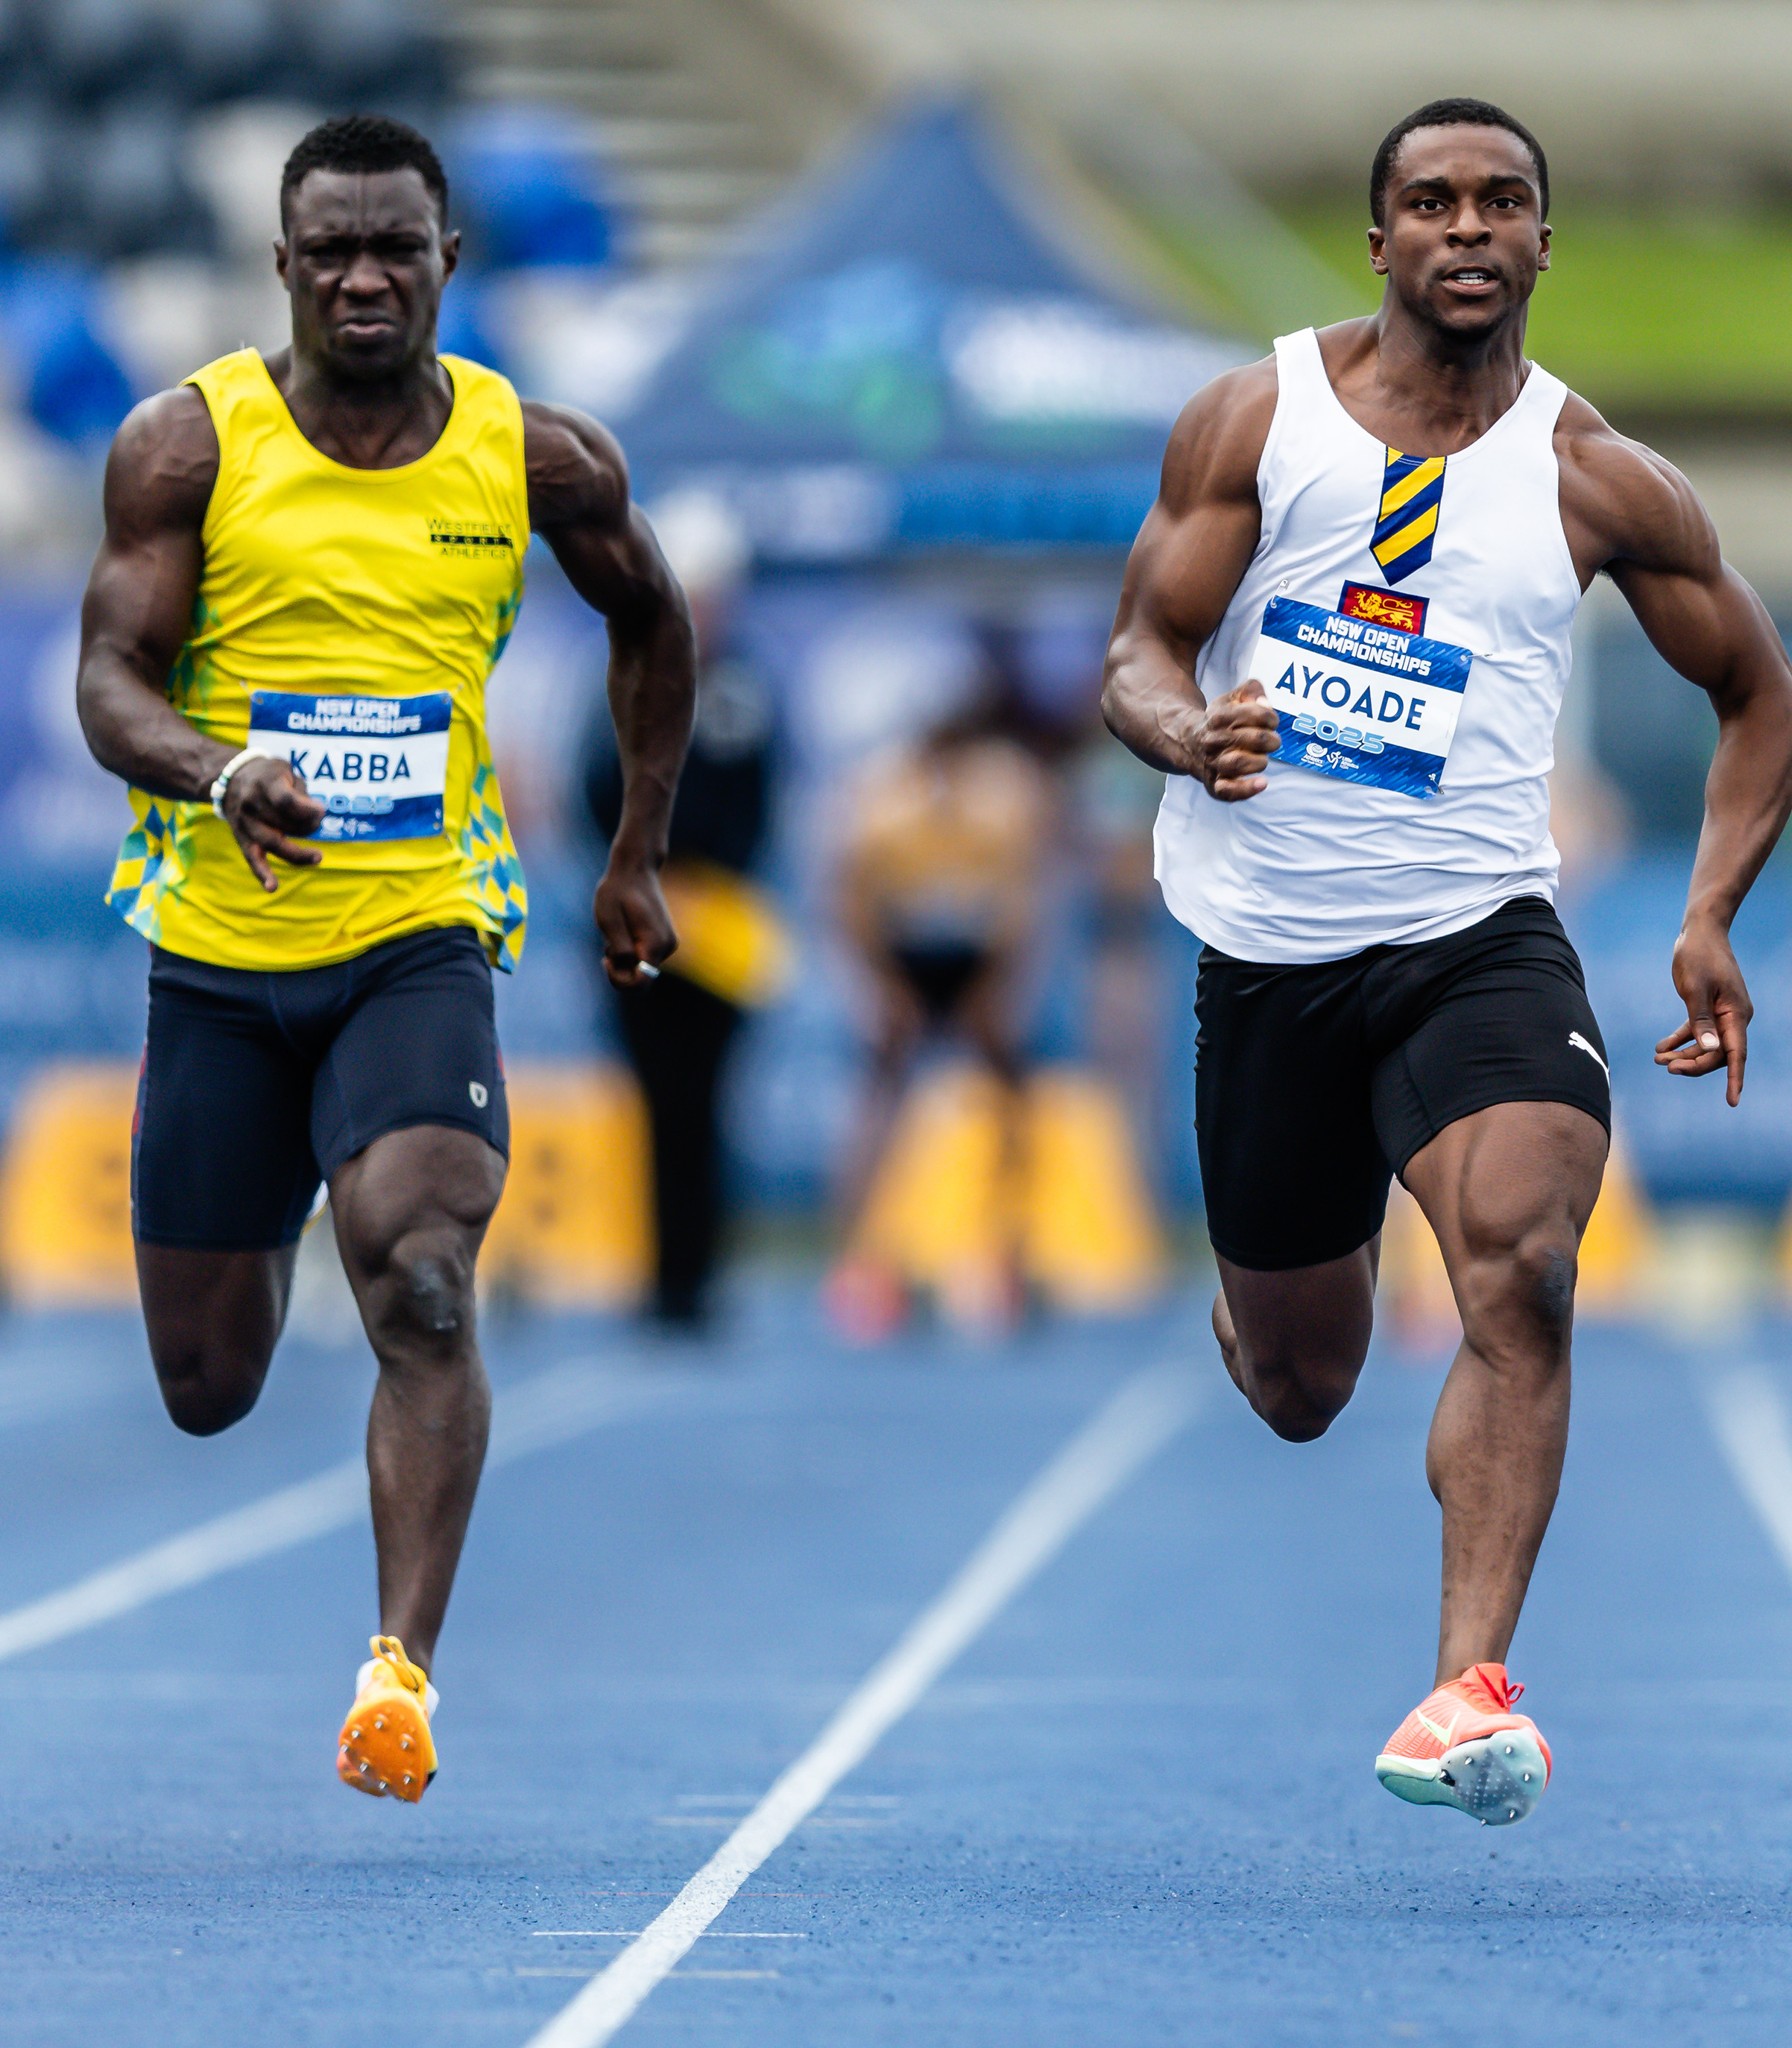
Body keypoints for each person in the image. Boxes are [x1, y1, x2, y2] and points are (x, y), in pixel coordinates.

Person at [1102, 96, 1792, 1823]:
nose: (1469, 227)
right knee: (1301, 1385)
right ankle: (1277, 1278)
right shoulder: (1255, 420)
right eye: (1433, 202)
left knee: (1525, 1266)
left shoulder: (1595, 479)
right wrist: (1185, 732)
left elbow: (1762, 701)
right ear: (1380, 240)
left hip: (1478, 938)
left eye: (1503, 201)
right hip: (1271, 954)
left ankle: (1464, 1687)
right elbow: (1137, 647)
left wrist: (1708, 913)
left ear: (1545, 241)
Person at [75, 113, 688, 1799]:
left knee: (420, 1272)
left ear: (448, 263)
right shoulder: (185, 446)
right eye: (332, 250)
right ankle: (272, 1193)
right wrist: (223, 771)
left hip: (420, 933)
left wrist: (636, 852)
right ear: (281, 263)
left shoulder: (533, 455)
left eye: (395, 249)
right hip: (218, 950)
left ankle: (397, 1672)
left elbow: (653, 619)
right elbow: (109, 682)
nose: (364, 278)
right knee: (206, 1382)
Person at [581, 488, 786, 1332]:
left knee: (706, 1104)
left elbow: (756, 805)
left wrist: (696, 872)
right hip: (642, 911)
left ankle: (698, 1274)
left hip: (717, 921)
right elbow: (594, 788)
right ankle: (663, 1273)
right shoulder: (630, 672)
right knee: (654, 1104)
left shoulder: (738, 689)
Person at [821, 663, 1061, 1339]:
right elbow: (851, 898)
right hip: (904, 951)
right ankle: (861, 1259)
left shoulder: (1007, 787)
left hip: (977, 955)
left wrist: (998, 989)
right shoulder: (878, 791)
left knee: (1011, 1095)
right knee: (880, 1093)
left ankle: (1011, 1251)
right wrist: (883, 988)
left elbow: (1025, 898)